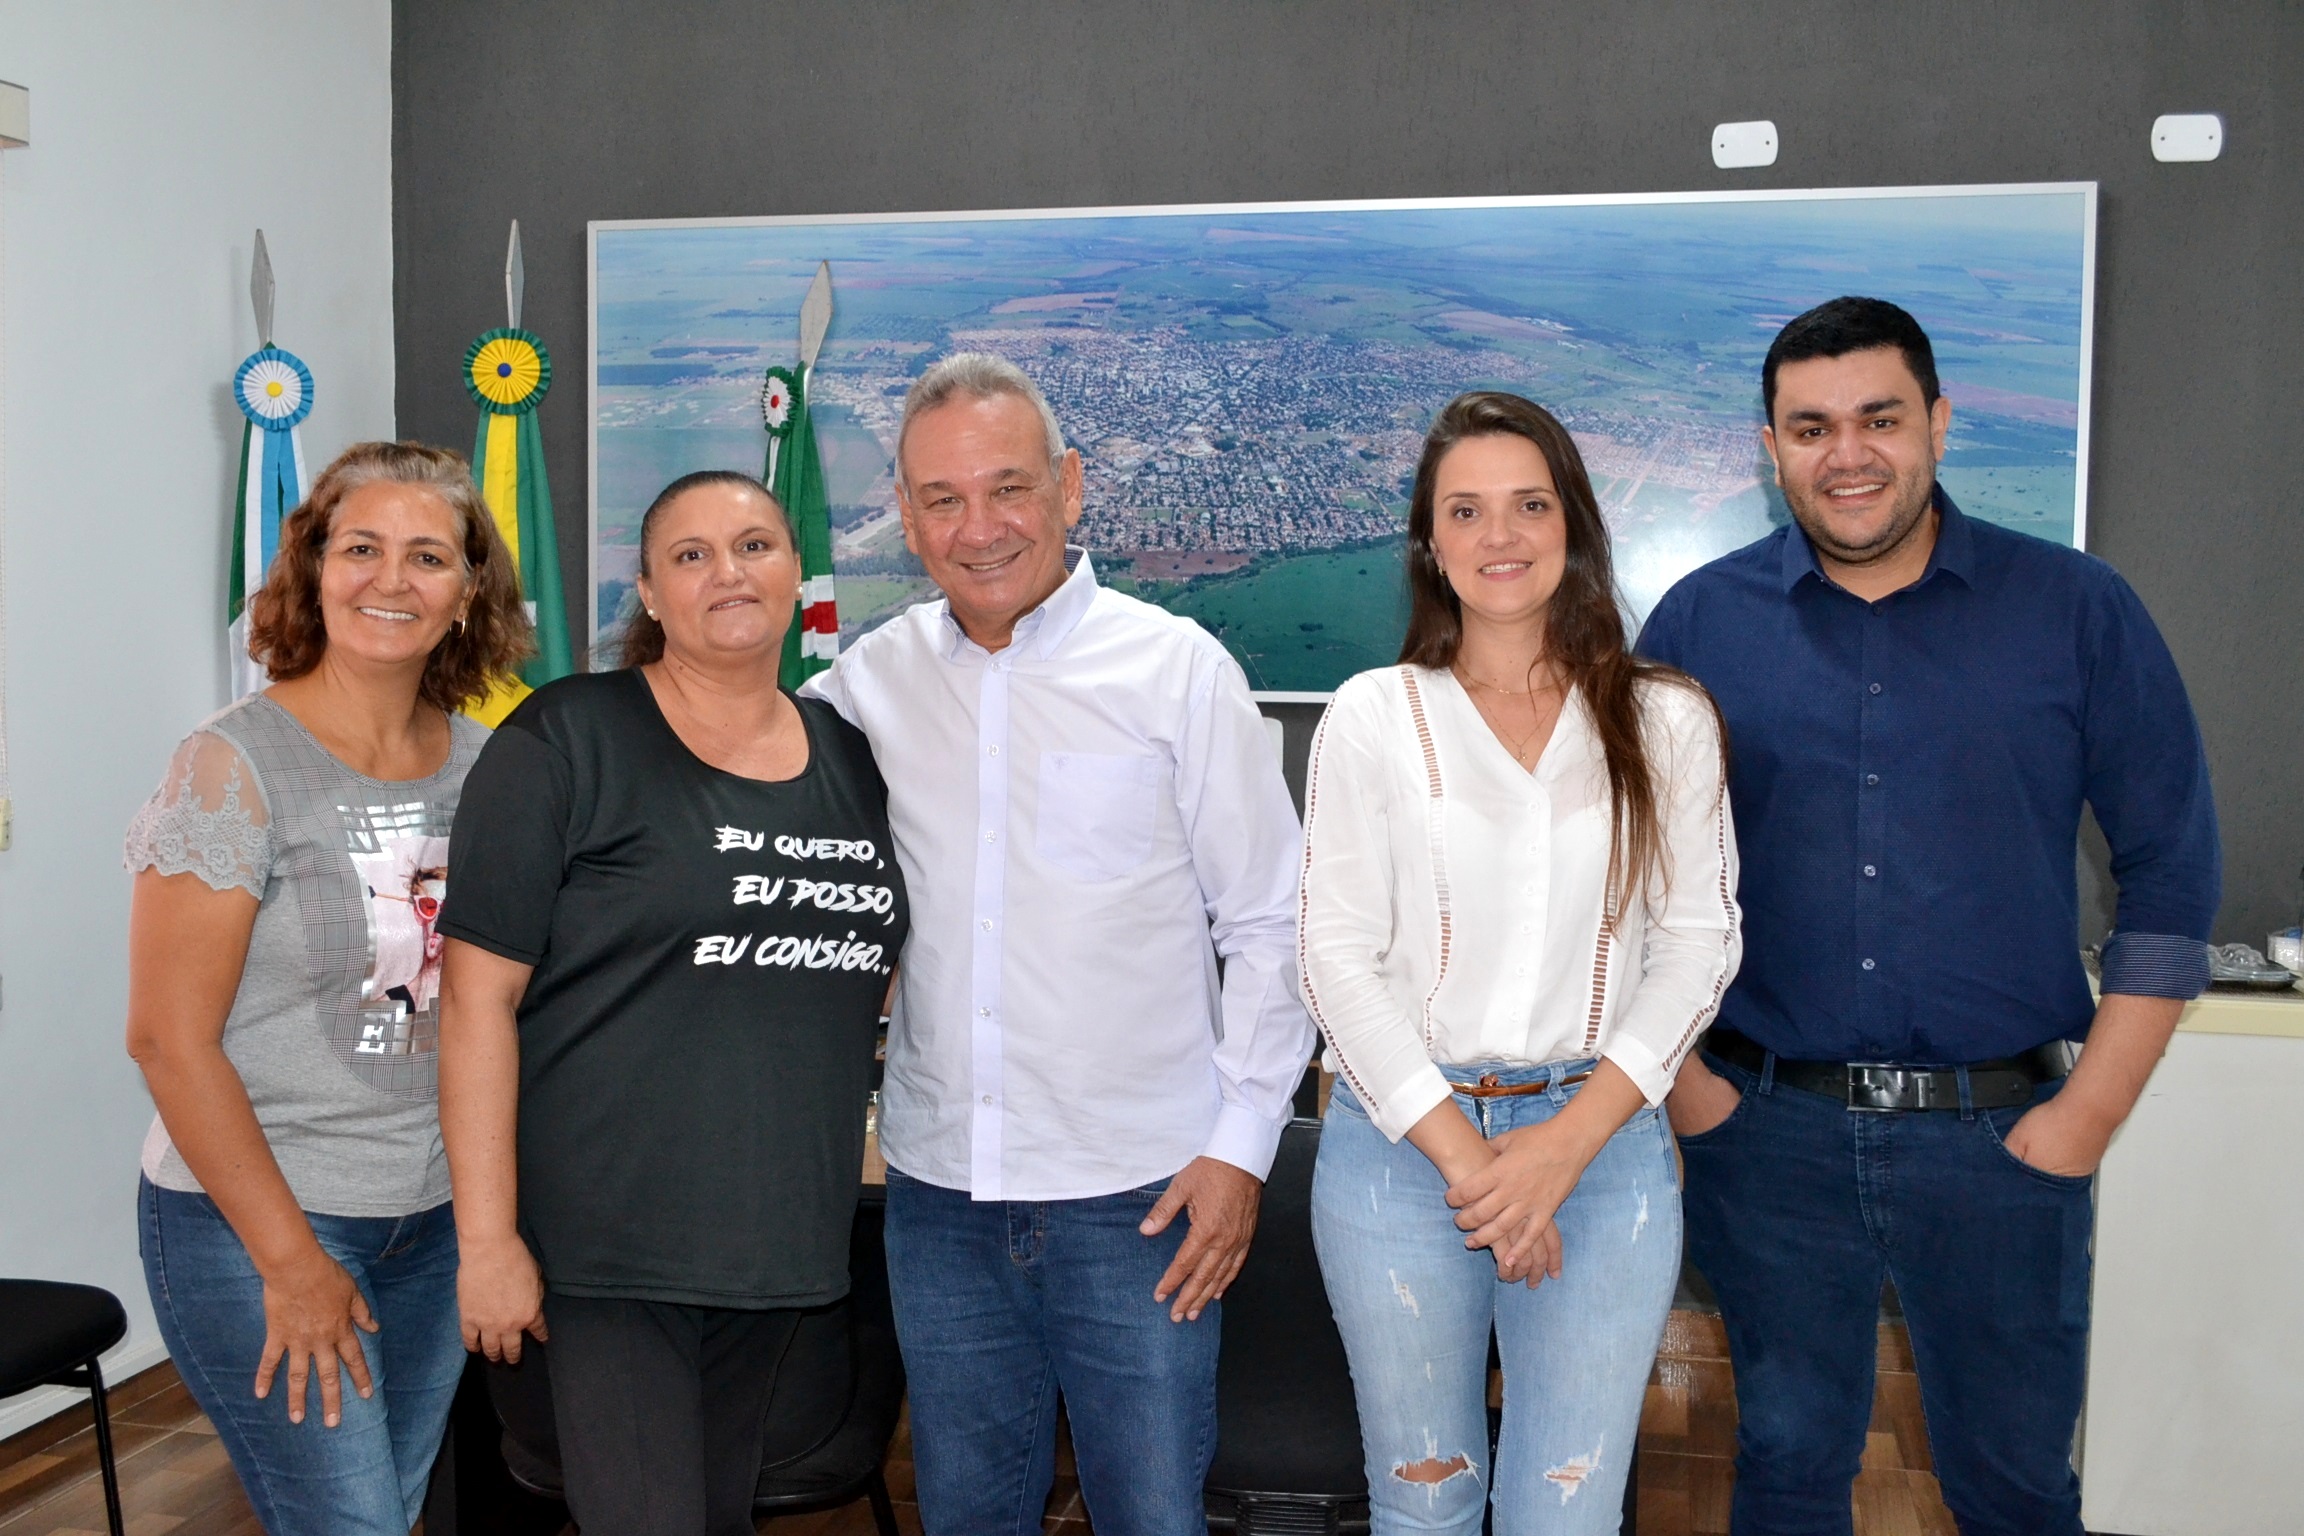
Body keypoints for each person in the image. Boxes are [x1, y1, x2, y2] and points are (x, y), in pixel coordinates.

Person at [1638, 296, 2220, 1536]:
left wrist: (2087, 1117)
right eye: (1811, 426)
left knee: (2012, 1488)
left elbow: (2170, 869)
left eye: (1879, 418)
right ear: (1771, 447)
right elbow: (1627, 876)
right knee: (1788, 1472)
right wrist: (1691, 1090)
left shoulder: (2077, 609)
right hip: (1768, 1136)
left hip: (2007, 1143)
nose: (1847, 452)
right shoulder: (1698, 624)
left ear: (1940, 425)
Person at [800, 353, 1314, 1534]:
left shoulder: (1177, 672)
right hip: (941, 1195)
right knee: (969, 1514)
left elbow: (1273, 924)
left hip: (1141, 1198)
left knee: (1150, 1517)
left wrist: (1239, 1152)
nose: (978, 527)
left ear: (1071, 487)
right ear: (908, 514)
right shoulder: (865, 686)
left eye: (1009, 487)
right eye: (941, 498)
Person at [1299, 392, 1741, 1532]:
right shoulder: (1373, 716)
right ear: (1431, 545)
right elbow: (1334, 959)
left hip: (1601, 1148)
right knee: (1421, 1504)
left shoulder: (1667, 719)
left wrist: (1556, 1153)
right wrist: (1481, 1167)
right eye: (1467, 510)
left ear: (1574, 527)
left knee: (1569, 1512)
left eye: (1529, 504)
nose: (1501, 535)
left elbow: (1699, 944)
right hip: (1401, 1152)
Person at [438, 469, 907, 1536]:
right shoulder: (567, 740)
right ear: (648, 593)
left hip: (779, 1240)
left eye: (752, 546)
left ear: (795, 573)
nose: (725, 573)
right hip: (604, 1243)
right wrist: (488, 1241)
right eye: (689, 556)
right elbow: (474, 1006)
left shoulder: (852, 760)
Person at [124, 441, 532, 1536]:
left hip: (435, 1220)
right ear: (312, 570)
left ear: (467, 596)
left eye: (428, 557)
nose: (391, 580)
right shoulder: (233, 763)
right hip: (263, 1225)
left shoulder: (493, 767)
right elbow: (168, 1040)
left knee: (378, 1518)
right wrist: (291, 1260)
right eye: (361, 548)